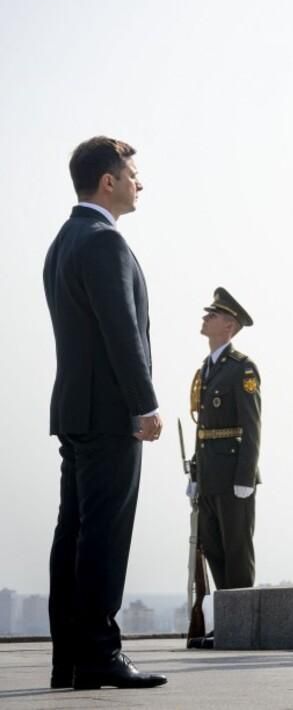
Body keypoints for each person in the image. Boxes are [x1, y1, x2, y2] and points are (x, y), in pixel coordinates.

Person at [43, 137, 167, 689]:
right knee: (104, 535)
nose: (141, 183)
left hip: (75, 407)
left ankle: (69, 658)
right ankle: (99, 651)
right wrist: (145, 404)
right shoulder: (103, 242)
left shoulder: (64, 240)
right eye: (133, 174)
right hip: (110, 411)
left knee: (73, 531)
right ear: (108, 181)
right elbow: (121, 332)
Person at [186, 287, 262, 648]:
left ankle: (241, 626)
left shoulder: (242, 368)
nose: (206, 318)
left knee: (237, 550)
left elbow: (251, 426)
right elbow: (202, 430)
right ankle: (226, 623)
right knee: (214, 548)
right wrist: (196, 475)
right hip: (211, 476)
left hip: (234, 476)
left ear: (228, 325)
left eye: (212, 315)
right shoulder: (207, 369)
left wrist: (245, 477)